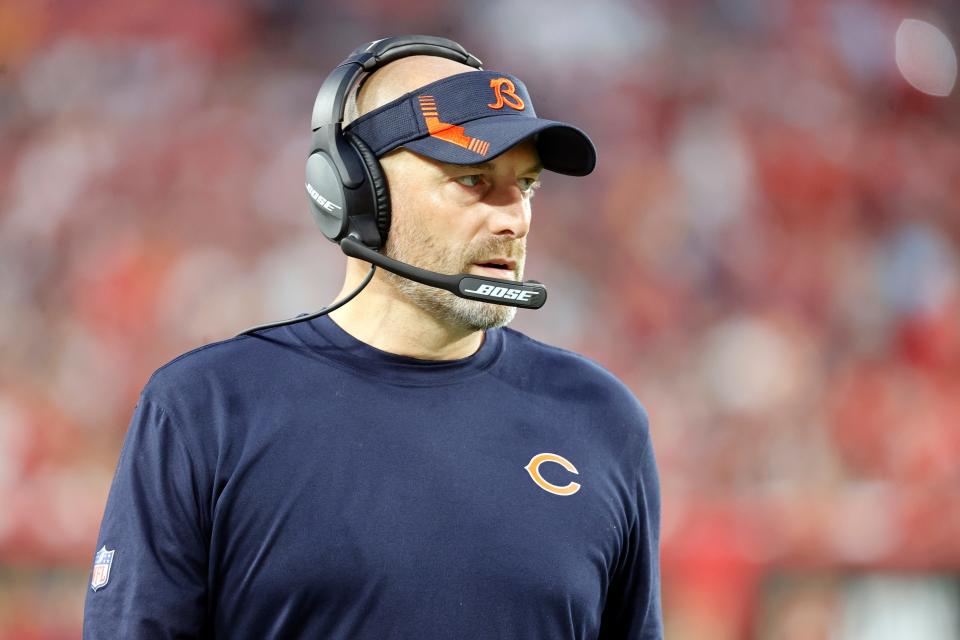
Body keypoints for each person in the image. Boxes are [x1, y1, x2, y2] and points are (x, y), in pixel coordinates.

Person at [83, 35, 663, 639]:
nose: (513, 216)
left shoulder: (601, 419)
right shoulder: (207, 410)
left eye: (527, 185)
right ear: (356, 190)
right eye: (473, 180)